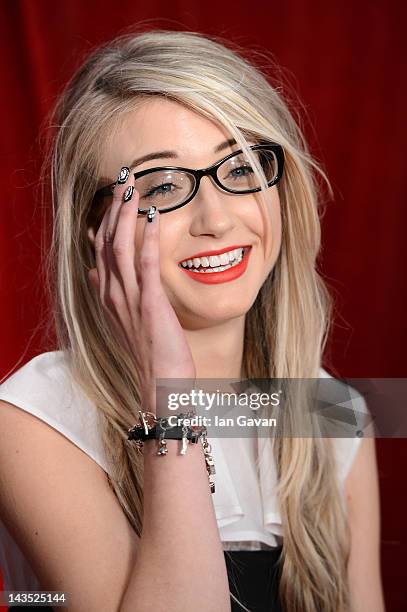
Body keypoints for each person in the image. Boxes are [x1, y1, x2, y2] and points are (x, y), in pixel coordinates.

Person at [0, 29, 385, 612]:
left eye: (240, 167)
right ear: (94, 230)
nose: (217, 219)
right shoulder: (33, 419)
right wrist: (168, 391)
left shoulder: (333, 413)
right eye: (162, 187)